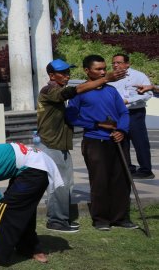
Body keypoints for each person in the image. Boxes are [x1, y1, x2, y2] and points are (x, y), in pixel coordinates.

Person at [36, 59, 126, 233]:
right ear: (52, 75)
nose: (67, 75)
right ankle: (56, 221)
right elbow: (74, 91)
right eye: (63, 72)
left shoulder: (58, 89)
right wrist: (104, 79)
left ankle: (61, 218)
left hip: (59, 144)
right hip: (51, 144)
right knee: (58, 184)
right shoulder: (49, 90)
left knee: (66, 183)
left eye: (68, 71)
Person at [66, 54, 136, 231]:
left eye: (104, 68)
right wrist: (96, 124)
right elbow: (71, 117)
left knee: (121, 180)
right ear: (87, 70)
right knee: (100, 181)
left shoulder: (111, 91)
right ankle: (101, 219)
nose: (103, 71)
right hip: (95, 141)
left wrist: (121, 130)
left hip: (117, 139)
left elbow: (124, 113)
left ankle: (120, 217)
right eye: (98, 69)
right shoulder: (80, 91)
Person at [108, 53, 154, 179]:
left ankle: (146, 170)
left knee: (140, 141)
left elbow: (148, 94)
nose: (116, 65)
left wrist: (129, 101)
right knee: (122, 140)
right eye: (114, 63)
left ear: (127, 64)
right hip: (118, 114)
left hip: (135, 113)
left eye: (119, 62)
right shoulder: (111, 78)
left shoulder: (138, 76)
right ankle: (128, 168)